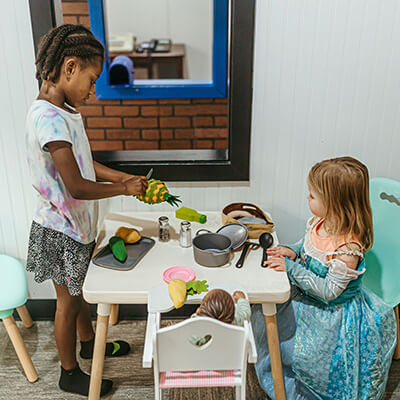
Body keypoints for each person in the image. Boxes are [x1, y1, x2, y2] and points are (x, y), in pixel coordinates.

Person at [25, 24, 148, 397]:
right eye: (91, 81)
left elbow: (85, 163)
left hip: (75, 226)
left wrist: (125, 178)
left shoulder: (64, 110)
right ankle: (69, 373)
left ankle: (88, 343)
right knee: (67, 302)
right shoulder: (47, 118)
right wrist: (124, 189)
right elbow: (76, 185)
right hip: (58, 230)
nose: (93, 92)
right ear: (70, 67)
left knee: (78, 294)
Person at [251, 156, 396, 399]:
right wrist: (293, 251)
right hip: (306, 296)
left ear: (335, 203)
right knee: (268, 317)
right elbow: (306, 244)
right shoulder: (320, 222)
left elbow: (328, 291)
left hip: (330, 312)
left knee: (312, 357)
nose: (307, 198)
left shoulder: (348, 248)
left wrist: (290, 267)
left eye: (313, 195)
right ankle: (283, 374)